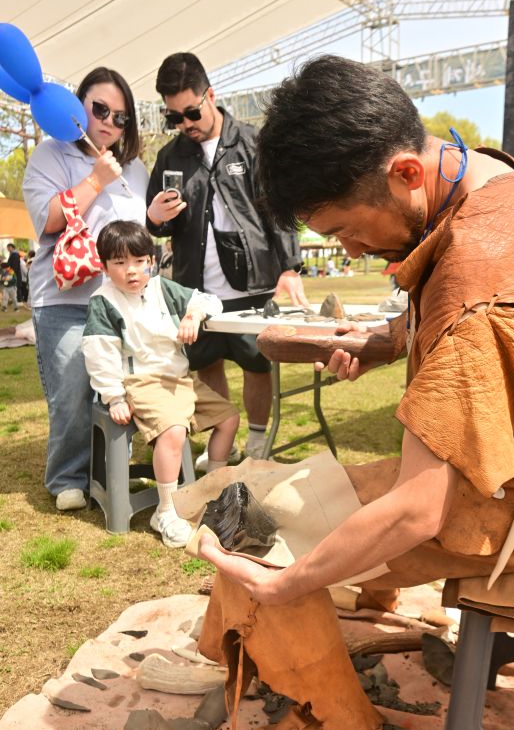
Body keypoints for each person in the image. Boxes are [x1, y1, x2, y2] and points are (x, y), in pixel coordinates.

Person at [191, 55, 514, 730]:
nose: (349, 250)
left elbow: (420, 507)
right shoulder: (487, 172)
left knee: (256, 529)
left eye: (343, 228)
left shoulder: (475, 279)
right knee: (292, 507)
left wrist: (289, 580)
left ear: (403, 172)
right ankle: (308, 620)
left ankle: (335, 725)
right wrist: (385, 340)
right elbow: (497, 321)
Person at [146, 52, 309, 465]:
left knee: (256, 365)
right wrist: (156, 218)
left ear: (210, 95)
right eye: (174, 117)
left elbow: (278, 207)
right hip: (193, 288)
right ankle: (225, 438)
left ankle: (256, 443)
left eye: (191, 112)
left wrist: (290, 266)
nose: (185, 124)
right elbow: (157, 224)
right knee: (206, 362)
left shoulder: (253, 143)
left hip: (253, 282)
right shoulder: (170, 156)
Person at [23, 66, 149, 511]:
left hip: (120, 299)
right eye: (100, 109)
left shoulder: (134, 168)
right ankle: (67, 478)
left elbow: (139, 229)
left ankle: (111, 469)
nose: (110, 122)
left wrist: (158, 216)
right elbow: (49, 220)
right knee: (74, 390)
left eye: (121, 116)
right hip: (65, 298)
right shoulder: (50, 156)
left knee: (120, 386)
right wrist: (95, 179)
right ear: (79, 106)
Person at [82, 221, 239, 548]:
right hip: (142, 382)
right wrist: (114, 397)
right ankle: (167, 511)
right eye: (120, 263)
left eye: (139, 261)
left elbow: (210, 301)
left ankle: (212, 487)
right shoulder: (104, 301)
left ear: (151, 261)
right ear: (105, 266)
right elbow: (100, 353)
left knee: (229, 418)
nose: (131, 271)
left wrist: (193, 314)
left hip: (181, 379)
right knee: (173, 430)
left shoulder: (161, 288)